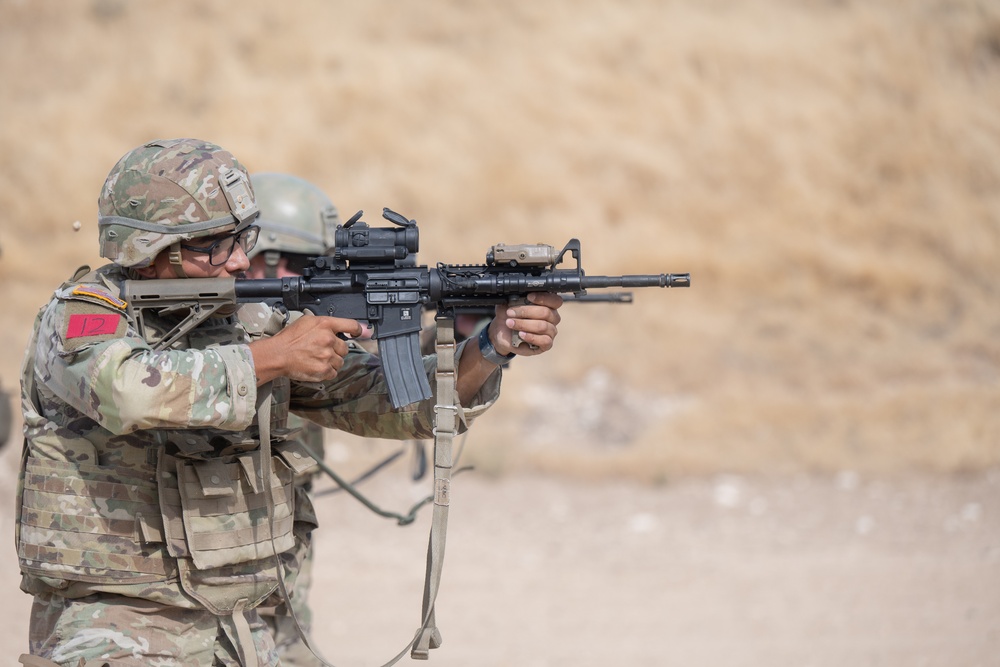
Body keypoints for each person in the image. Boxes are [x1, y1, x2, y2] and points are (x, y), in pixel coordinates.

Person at [16, 138, 562, 666]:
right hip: (114, 628)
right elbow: (128, 391)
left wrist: (492, 346)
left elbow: (388, 401)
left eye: (243, 238)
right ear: (148, 248)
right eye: (214, 245)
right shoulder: (84, 316)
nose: (237, 262)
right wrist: (274, 358)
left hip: (240, 628)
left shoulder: (246, 322)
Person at [241, 171, 341, 667]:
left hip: (284, 546)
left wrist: (480, 342)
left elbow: (376, 388)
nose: (316, 278)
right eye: (305, 266)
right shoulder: (199, 341)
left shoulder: (291, 329)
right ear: (263, 259)